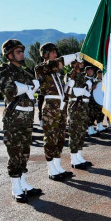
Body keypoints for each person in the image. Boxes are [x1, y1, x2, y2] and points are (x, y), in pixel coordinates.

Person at [0, 39, 42, 203]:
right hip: (14, 118)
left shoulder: (24, 72)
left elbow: (36, 85)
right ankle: (16, 188)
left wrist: (28, 86)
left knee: (24, 152)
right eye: (18, 52)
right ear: (9, 55)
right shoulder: (5, 70)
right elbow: (8, 90)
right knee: (15, 153)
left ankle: (24, 183)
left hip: (27, 116)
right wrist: (28, 87)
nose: (22, 54)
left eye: (22, 51)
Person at [35, 42, 81, 181]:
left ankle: (57, 166)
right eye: (53, 52)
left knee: (60, 137)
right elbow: (59, 62)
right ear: (45, 54)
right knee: (50, 138)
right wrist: (74, 56)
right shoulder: (41, 68)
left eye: (56, 52)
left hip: (61, 107)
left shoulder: (57, 73)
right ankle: (51, 169)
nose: (56, 54)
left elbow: (63, 93)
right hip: (50, 107)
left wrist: (69, 85)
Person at [66, 62, 92, 170]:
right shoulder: (69, 75)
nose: (81, 65)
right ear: (73, 65)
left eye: (82, 63)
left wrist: (86, 89)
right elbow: (69, 91)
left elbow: (88, 90)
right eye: (79, 63)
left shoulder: (83, 76)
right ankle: (73, 158)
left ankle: (79, 156)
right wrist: (82, 91)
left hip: (84, 107)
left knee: (81, 132)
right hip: (75, 107)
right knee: (74, 132)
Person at [85, 66, 99, 136]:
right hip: (88, 100)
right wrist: (91, 87)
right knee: (89, 114)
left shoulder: (94, 79)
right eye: (89, 71)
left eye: (92, 71)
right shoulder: (85, 79)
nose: (91, 72)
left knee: (94, 114)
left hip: (95, 100)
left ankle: (92, 128)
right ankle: (90, 130)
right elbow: (84, 88)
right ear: (86, 72)